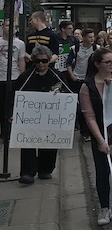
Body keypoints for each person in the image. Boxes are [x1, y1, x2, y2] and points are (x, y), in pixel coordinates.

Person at [79, 47, 112, 228]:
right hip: (101, 133)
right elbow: (89, 116)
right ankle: (104, 208)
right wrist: (100, 140)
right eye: (108, 62)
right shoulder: (88, 86)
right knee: (102, 172)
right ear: (97, 64)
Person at [13, 46, 71, 185]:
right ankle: (28, 172)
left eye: (44, 61)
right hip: (29, 118)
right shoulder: (26, 77)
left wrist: (60, 94)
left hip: (51, 118)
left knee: (49, 142)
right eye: (37, 61)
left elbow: (68, 93)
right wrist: (11, 113)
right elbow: (14, 95)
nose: (40, 64)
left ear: (49, 60)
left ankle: (45, 169)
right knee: (28, 143)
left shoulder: (57, 76)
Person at [0, 24, 25, 141]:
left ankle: (8, 132)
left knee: (10, 106)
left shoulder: (20, 44)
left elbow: (21, 60)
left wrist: (22, 77)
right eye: (6, 25)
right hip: (0, 78)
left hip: (14, 78)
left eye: (13, 26)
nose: (10, 28)